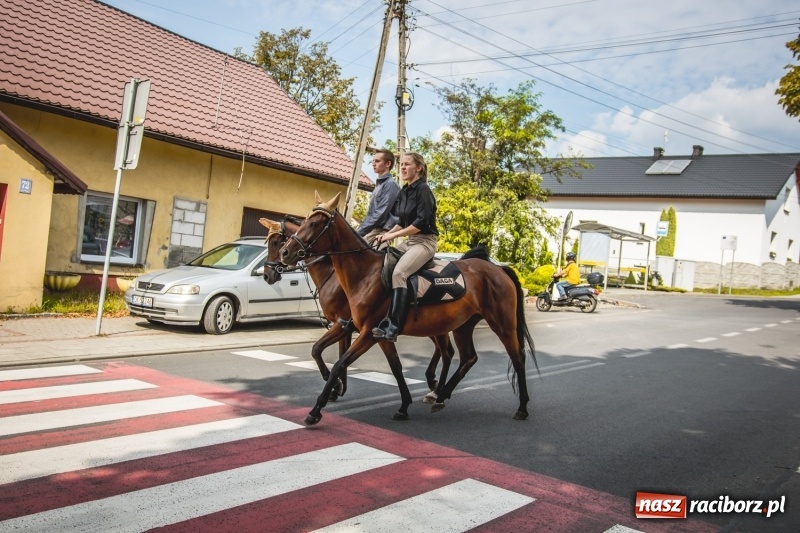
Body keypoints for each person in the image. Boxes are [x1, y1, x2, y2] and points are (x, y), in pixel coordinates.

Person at [372, 152, 439, 342]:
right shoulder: (404, 191)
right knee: (381, 263)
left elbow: (420, 223)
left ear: (418, 168)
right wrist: (385, 235)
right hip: (409, 242)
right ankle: (381, 315)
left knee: (399, 273)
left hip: (425, 242)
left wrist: (393, 235)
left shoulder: (423, 190)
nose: (402, 168)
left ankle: (394, 326)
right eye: (401, 164)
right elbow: (401, 221)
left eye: (407, 164)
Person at [356, 148, 400, 249]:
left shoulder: (390, 185)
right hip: (373, 228)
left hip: (382, 231)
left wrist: (359, 232)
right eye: (373, 161)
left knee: (355, 250)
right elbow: (371, 214)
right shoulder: (379, 185)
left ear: (388, 164)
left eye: (377, 161)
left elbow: (380, 213)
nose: (373, 164)